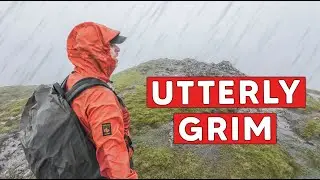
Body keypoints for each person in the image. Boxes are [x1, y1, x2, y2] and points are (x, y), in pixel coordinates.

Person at [64, 21, 138, 179]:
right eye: (111, 45)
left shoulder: (74, 80)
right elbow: (113, 160)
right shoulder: (99, 97)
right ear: (97, 50)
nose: (117, 49)